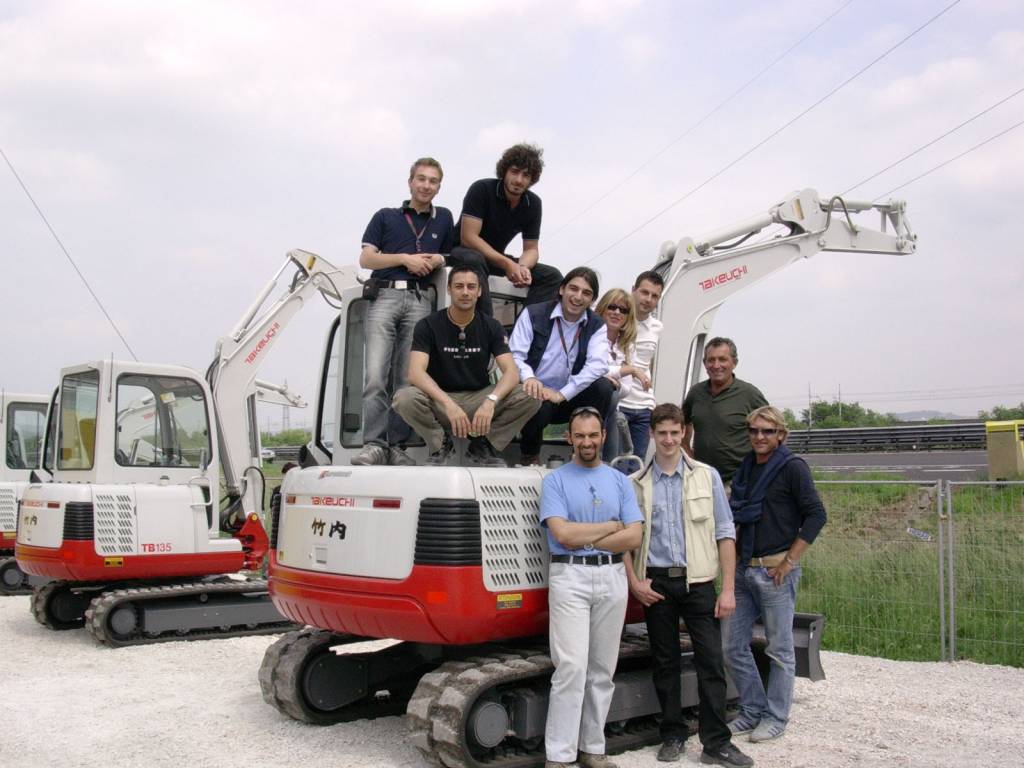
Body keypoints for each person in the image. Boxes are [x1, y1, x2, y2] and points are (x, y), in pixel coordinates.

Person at [624, 403, 753, 767]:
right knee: (664, 664)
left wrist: (728, 589)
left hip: (698, 584)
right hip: (657, 585)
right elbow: (625, 541)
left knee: (711, 662)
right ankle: (672, 735)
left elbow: (725, 533)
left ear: (684, 433)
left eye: (674, 433)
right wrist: (635, 583)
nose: (668, 440)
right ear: (652, 434)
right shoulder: (635, 484)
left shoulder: (706, 477)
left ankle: (716, 743)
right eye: (661, 433)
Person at [539, 406, 644, 768]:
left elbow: (634, 536)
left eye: (593, 435)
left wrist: (586, 536)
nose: (587, 442)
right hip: (570, 578)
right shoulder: (555, 481)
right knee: (570, 667)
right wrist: (611, 527)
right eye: (580, 435)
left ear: (603, 436)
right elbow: (562, 535)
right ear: (569, 438)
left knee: (602, 669)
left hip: (612, 577)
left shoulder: (620, 481)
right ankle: (559, 755)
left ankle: (593, 749)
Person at [725, 406, 826, 744]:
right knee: (732, 646)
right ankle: (752, 709)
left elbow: (816, 515)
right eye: (754, 430)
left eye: (767, 431)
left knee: (779, 650)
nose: (760, 437)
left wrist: (789, 561)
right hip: (744, 568)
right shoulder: (746, 468)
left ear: (781, 434)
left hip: (774, 573)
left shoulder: (792, 468)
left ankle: (776, 716)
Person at [351, 158, 455, 466]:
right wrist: (405, 259)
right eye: (421, 179)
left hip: (421, 299)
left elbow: (452, 254)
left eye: (433, 181)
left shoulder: (444, 218)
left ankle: (396, 446)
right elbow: (366, 259)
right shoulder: (386, 216)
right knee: (375, 375)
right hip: (384, 295)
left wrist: (437, 260)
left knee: (407, 379)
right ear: (410, 182)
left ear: (439, 187)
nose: (426, 185)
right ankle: (374, 444)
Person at [392, 265, 540, 466]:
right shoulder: (427, 325)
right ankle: (440, 445)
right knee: (404, 398)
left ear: (479, 291)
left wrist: (490, 401)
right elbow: (415, 373)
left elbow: (511, 373)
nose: (465, 292)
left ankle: (484, 446)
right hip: (440, 400)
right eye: (459, 286)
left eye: (471, 287)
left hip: (478, 398)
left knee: (532, 395)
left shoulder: (491, 326)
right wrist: (448, 404)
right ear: (449, 289)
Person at [509, 267, 613, 466]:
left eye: (586, 293)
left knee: (604, 388)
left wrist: (562, 394)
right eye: (573, 289)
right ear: (561, 289)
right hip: (537, 391)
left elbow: (598, 365)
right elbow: (515, 355)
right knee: (535, 399)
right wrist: (530, 378)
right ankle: (530, 455)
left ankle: (584, 454)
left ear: (592, 300)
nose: (578, 297)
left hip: (569, 394)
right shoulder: (533, 313)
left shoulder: (597, 325)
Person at [447, 143, 562, 316]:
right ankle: (487, 327)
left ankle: (525, 328)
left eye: (526, 175)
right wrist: (508, 264)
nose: (519, 180)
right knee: (475, 258)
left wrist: (522, 267)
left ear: (532, 179)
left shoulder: (533, 204)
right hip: (463, 253)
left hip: (496, 259)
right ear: (504, 171)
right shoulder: (482, 189)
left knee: (552, 276)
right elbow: (468, 238)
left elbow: (531, 249)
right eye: (514, 172)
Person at [683, 337, 767, 486]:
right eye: (711, 360)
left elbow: (773, 429)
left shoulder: (749, 394)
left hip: (739, 482)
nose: (716, 365)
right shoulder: (695, 393)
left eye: (722, 359)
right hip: (702, 480)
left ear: (734, 363)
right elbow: (682, 423)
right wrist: (688, 453)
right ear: (704, 363)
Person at [616, 271, 664, 469]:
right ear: (633, 290)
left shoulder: (657, 327)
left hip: (644, 407)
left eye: (654, 296)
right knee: (616, 464)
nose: (648, 299)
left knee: (637, 467)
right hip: (619, 403)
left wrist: (652, 400)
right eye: (644, 292)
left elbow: (647, 363)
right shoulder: (617, 319)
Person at [595, 289, 638, 465]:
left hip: (611, 406)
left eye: (623, 310)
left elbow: (627, 389)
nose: (617, 312)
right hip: (588, 401)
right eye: (612, 307)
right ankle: (603, 461)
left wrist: (615, 381)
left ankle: (607, 465)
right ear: (602, 308)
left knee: (613, 401)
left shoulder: (628, 345)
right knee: (610, 396)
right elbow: (591, 371)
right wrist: (626, 370)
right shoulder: (592, 336)